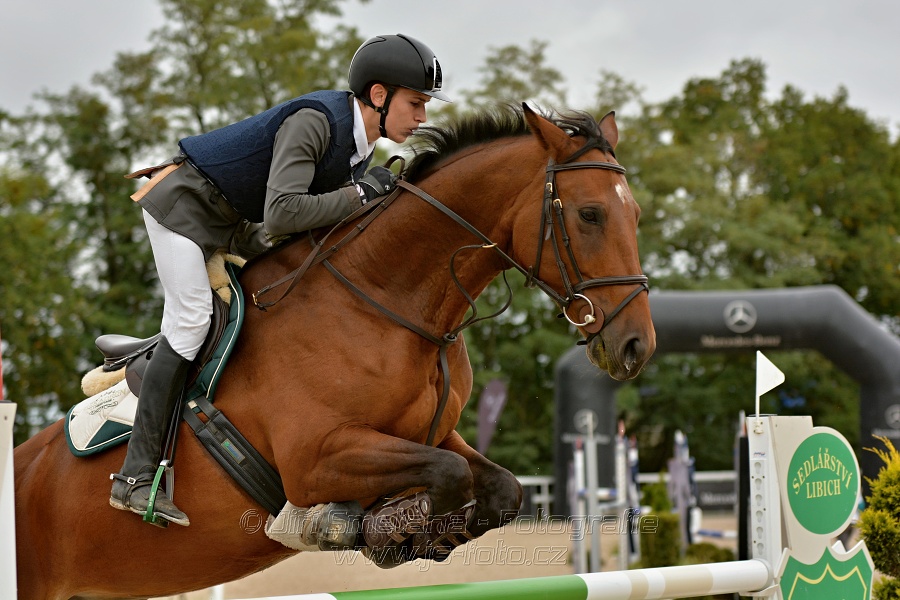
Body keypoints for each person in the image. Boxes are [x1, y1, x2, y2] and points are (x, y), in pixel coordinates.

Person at [109, 34, 451, 527]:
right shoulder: (316, 121)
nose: (422, 116)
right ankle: (136, 476)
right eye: (415, 103)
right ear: (379, 95)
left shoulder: (362, 146)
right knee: (191, 321)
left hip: (232, 223)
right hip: (183, 209)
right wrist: (361, 195)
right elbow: (283, 213)